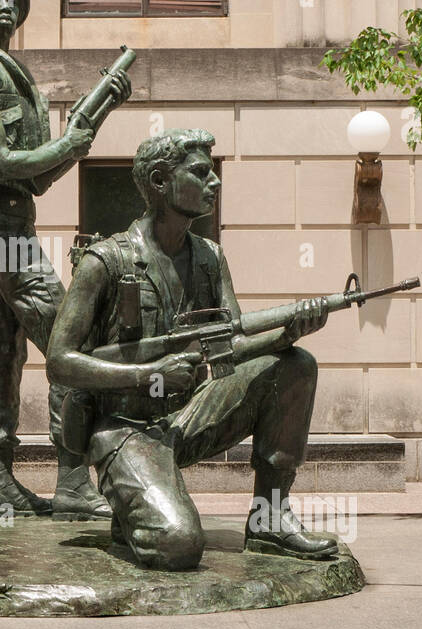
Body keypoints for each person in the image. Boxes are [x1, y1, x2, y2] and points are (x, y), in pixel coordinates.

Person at [47, 128, 339, 571]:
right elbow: (59, 361)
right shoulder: (105, 261)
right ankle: (136, 505)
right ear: (161, 181)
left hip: (189, 413)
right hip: (124, 427)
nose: (215, 182)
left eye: (213, 172)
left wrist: (284, 336)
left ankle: (269, 519)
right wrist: (147, 373)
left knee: (293, 365)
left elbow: (233, 343)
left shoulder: (209, 257)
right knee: (179, 546)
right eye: (201, 173)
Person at [0, 0, 131, 520]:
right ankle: (73, 479)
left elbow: (37, 178)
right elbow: (2, 163)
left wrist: (86, 129)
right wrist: (68, 142)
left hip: (5, 226)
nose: (7, 5)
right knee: (69, 347)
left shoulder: (14, 78)